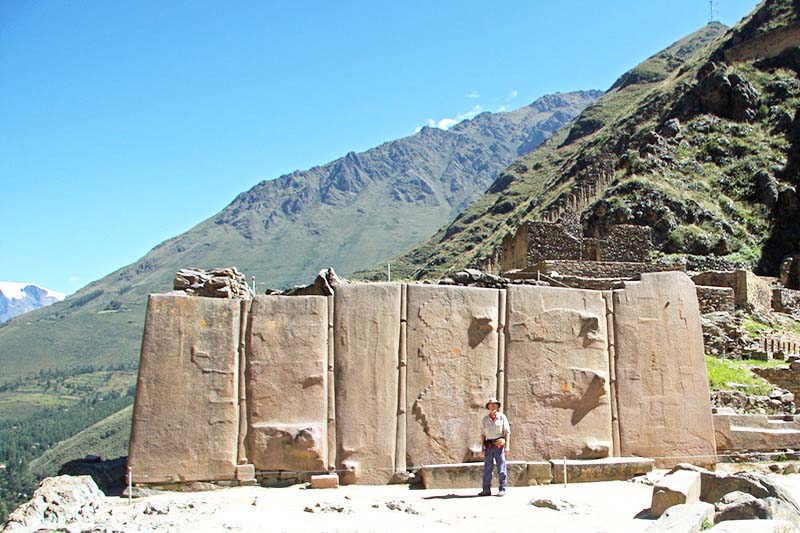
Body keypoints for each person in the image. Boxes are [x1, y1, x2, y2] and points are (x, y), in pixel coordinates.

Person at [478, 397, 510, 497]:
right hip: (489, 445)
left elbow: (507, 432)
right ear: (488, 407)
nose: (493, 407)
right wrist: (482, 448)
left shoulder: (502, 417)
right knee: (487, 468)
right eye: (491, 405)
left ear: (497, 406)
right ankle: (486, 489)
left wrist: (507, 446)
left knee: (501, 467)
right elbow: (483, 434)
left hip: (499, 444)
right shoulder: (485, 419)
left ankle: (502, 488)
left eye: (495, 405)